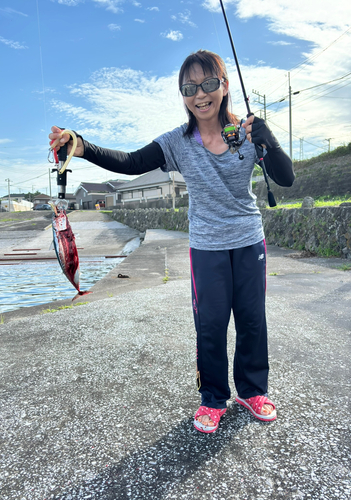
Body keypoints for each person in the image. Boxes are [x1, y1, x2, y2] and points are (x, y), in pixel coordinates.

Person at [49, 49, 295, 434]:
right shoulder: (177, 142)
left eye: (209, 84)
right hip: (207, 247)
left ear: (224, 86)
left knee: (252, 320)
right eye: (189, 87)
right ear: (182, 94)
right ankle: (213, 398)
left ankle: (253, 390)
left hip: (248, 240)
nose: (201, 94)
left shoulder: (247, 133)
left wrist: (270, 140)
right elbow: (129, 162)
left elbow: (286, 179)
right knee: (210, 325)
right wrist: (81, 146)